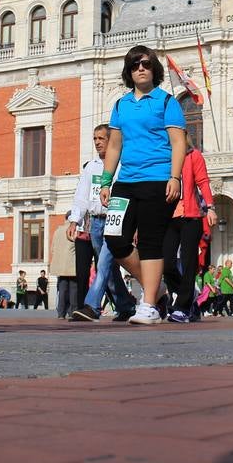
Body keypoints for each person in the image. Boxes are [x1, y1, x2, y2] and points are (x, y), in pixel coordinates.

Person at [98, 45, 187, 325]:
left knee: (150, 242)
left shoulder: (166, 102)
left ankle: (148, 305)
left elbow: (178, 142)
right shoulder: (121, 105)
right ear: (128, 70)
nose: (140, 68)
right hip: (125, 182)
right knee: (114, 239)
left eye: (146, 64)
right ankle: (156, 286)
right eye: (135, 64)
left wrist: (175, 177)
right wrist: (105, 180)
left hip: (158, 179)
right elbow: (114, 145)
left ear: (154, 69)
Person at [70, 125, 138, 322]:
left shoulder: (122, 165)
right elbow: (82, 196)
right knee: (108, 269)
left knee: (103, 264)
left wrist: (134, 225)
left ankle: (91, 306)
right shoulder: (91, 167)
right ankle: (126, 305)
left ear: (112, 141)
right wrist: (75, 220)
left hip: (115, 220)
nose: (98, 142)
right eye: (95, 139)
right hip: (96, 223)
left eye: (101, 138)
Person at [163, 146, 216, 323]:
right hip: (168, 216)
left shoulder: (193, 155)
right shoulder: (163, 153)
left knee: (188, 263)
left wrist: (210, 207)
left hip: (191, 216)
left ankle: (183, 307)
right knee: (166, 263)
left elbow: (203, 181)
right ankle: (190, 296)